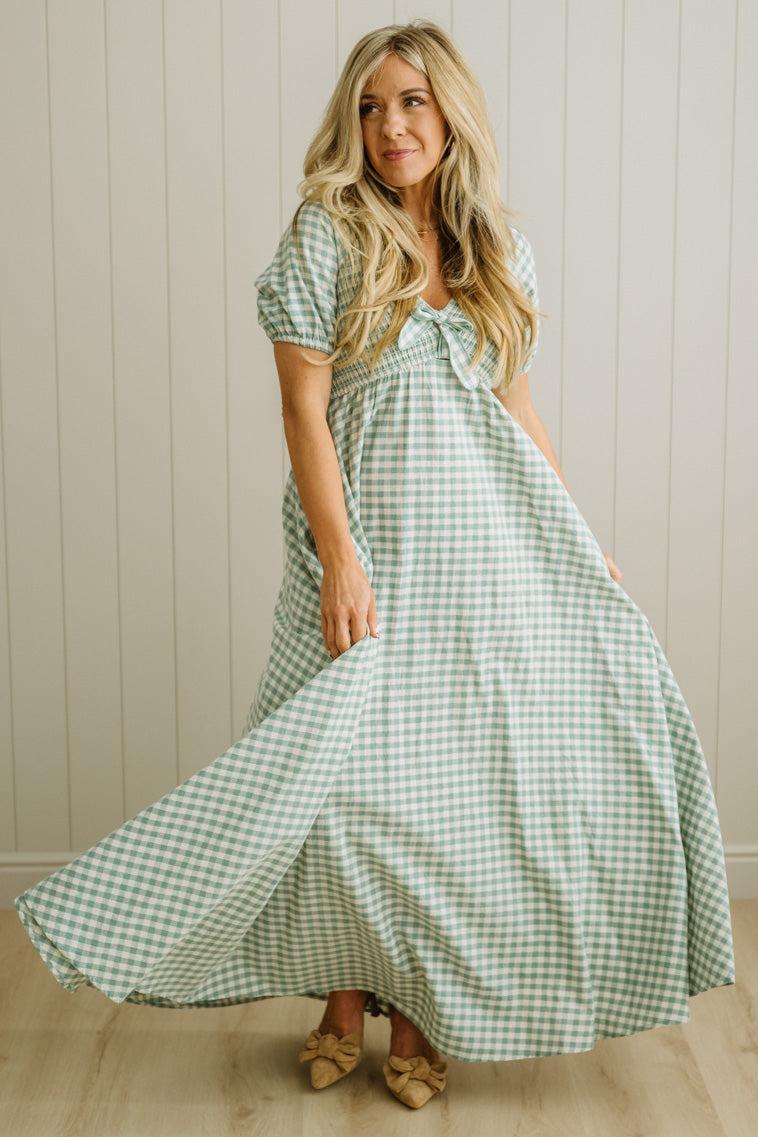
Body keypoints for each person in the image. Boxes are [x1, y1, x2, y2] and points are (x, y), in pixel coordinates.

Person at [14, 20, 735, 1114]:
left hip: (484, 557)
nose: (388, 125)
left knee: (446, 804)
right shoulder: (326, 236)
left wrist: (577, 536)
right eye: (368, 105)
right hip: (370, 555)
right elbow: (304, 414)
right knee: (341, 797)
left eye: (408, 102)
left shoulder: (497, 250)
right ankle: (339, 1002)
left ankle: (416, 1016)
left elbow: (515, 407)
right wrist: (339, 559)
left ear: (448, 114)